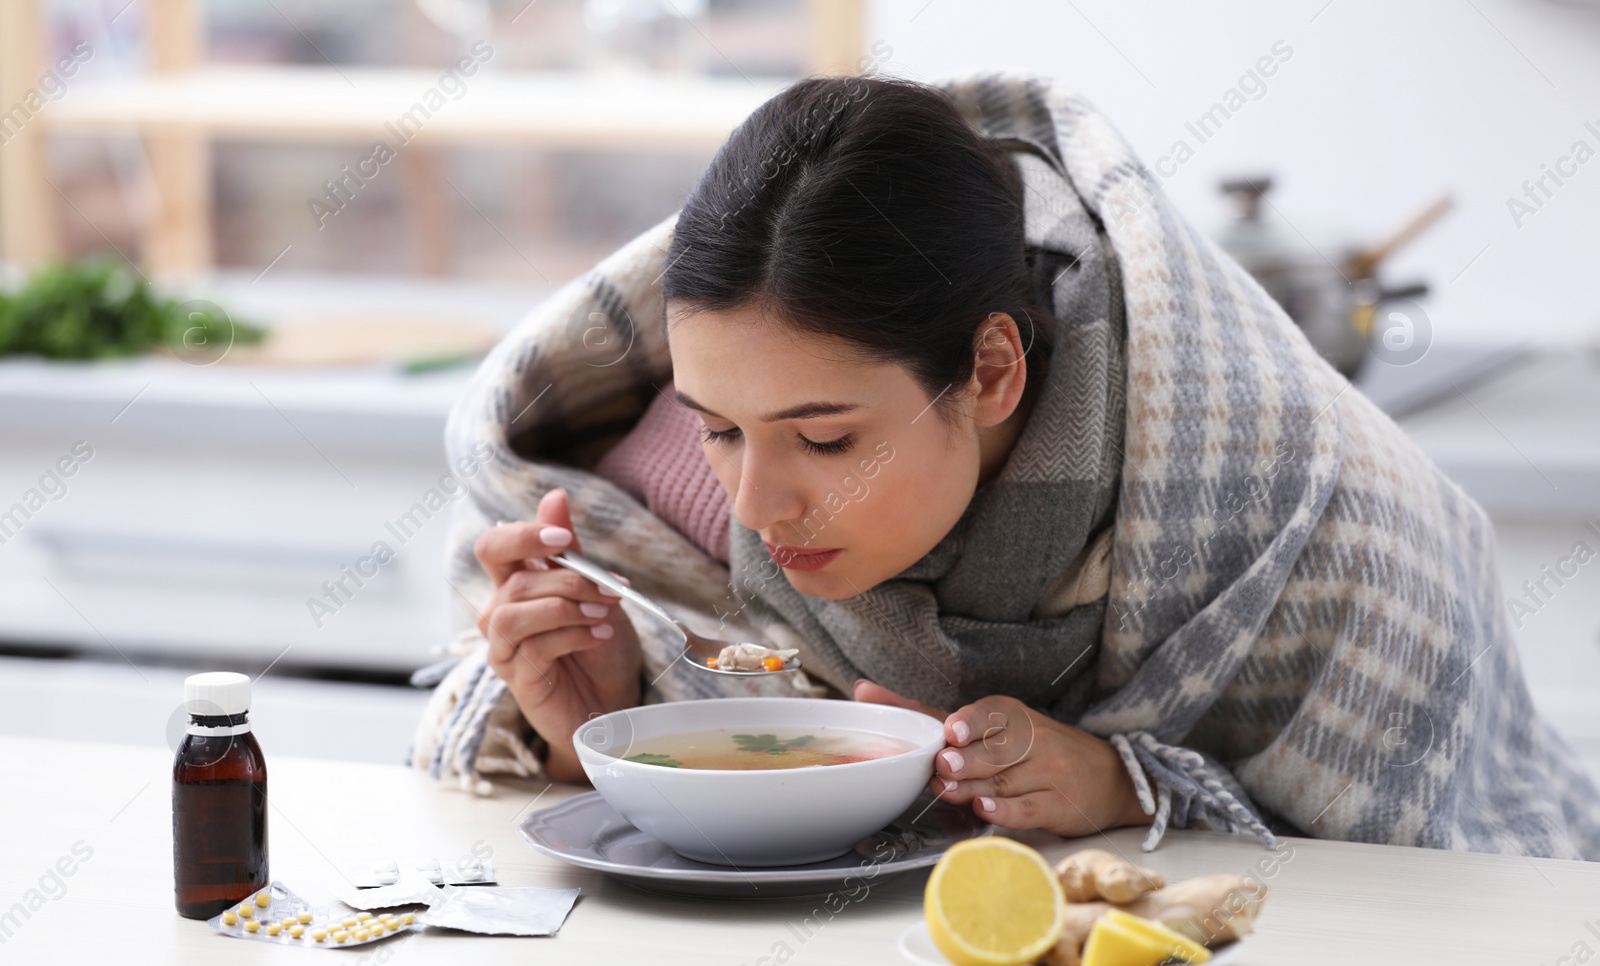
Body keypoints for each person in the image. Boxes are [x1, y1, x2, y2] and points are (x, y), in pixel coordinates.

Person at [414, 75, 1600, 859]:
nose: (755, 505)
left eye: (826, 439)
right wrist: (600, 722)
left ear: (989, 371)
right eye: (719, 424)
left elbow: (1450, 881)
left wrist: (1139, 789)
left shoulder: (1322, 508)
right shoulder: (641, 494)